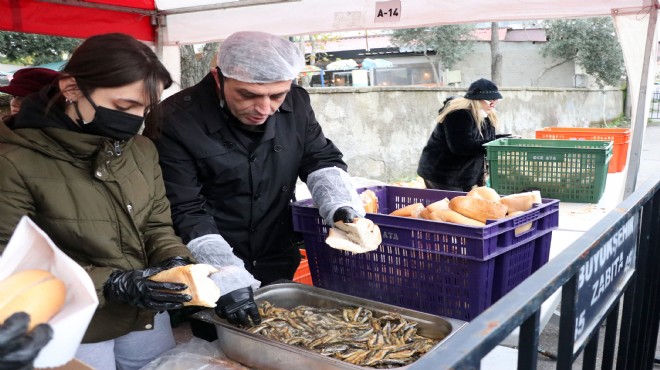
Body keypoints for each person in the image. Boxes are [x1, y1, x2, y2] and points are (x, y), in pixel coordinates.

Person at [0, 33, 197, 370]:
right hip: (73, 323)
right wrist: (112, 282)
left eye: (147, 108)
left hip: (144, 313)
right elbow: (10, 259)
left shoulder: (141, 150)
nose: (137, 119)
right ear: (72, 89)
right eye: (124, 107)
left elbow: (156, 222)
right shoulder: (14, 160)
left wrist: (173, 259)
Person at [150, 31, 365, 330]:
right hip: (208, 261)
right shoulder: (174, 120)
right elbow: (185, 208)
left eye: (277, 96)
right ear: (218, 77)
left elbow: (319, 158)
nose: (264, 109)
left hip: (275, 249)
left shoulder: (298, 103)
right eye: (248, 95)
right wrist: (224, 273)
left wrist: (338, 204)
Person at [417, 78, 511, 191]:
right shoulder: (459, 114)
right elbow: (461, 146)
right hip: (443, 174)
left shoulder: (487, 116)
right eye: (491, 99)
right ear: (477, 99)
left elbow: (483, 141)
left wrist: (504, 139)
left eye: (496, 99)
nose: (494, 103)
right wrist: (495, 144)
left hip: (464, 176)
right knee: (450, 207)